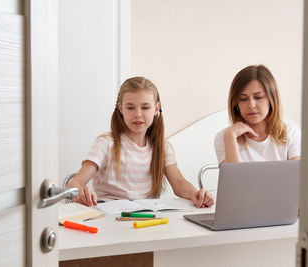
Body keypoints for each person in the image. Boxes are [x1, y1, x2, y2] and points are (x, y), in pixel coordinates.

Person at [68, 77, 214, 208]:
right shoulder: (105, 143)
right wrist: (81, 191)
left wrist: (195, 193)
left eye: (145, 107)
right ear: (120, 108)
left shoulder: (162, 148)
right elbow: (74, 184)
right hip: (108, 217)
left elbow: (179, 184)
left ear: (156, 109)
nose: (138, 114)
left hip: (146, 218)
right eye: (130, 107)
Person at [214, 65, 301, 164]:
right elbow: (234, 179)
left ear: (271, 99)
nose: (251, 105)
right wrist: (230, 137)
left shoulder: (292, 134)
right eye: (243, 99)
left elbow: (297, 178)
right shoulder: (224, 137)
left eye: (259, 97)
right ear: (236, 103)